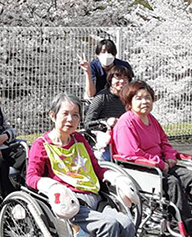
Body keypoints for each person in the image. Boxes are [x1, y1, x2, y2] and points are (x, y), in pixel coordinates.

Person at [113, 81, 192, 237]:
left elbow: (164, 142)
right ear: (129, 101)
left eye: (148, 97)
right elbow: (131, 153)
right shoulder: (126, 123)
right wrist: (159, 163)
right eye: (138, 98)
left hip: (161, 165)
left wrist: (170, 156)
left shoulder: (151, 119)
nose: (145, 101)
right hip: (142, 169)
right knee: (172, 183)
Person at [26, 93, 136, 237]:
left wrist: (116, 178)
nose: (70, 119)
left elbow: (96, 168)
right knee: (108, 226)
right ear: (53, 115)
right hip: (71, 203)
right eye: (65, 114)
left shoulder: (78, 139)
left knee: (127, 224)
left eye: (75, 115)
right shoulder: (41, 144)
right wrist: (53, 187)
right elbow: (31, 177)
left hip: (96, 197)